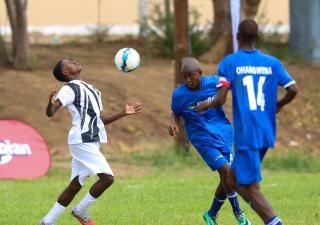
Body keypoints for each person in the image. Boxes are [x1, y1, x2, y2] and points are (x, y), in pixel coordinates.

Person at [198, 19, 299, 225]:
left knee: (250, 187)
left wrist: (204, 105)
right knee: (232, 180)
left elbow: (220, 99)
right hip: (266, 130)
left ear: (237, 37)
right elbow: (293, 89)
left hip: (247, 132)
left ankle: (273, 222)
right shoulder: (272, 63)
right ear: (258, 38)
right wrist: (278, 105)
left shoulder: (230, 63)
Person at [40, 59, 142, 225]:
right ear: (66, 72)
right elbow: (51, 111)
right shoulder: (69, 88)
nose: (75, 62)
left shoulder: (94, 90)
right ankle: (79, 210)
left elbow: (99, 120)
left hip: (92, 140)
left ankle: (48, 221)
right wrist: (50, 105)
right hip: (81, 139)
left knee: (75, 185)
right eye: (70, 63)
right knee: (107, 178)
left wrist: (123, 113)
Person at [168, 58, 251, 225]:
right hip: (202, 139)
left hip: (223, 134)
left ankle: (211, 215)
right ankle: (239, 214)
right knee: (228, 171)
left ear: (200, 73)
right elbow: (175, 112)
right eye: (185, 77)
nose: (188, 80)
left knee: (226, 176)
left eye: (191, 76)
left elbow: (234, 85)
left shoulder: (214, 82)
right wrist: (173, 122)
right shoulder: (179, 95)